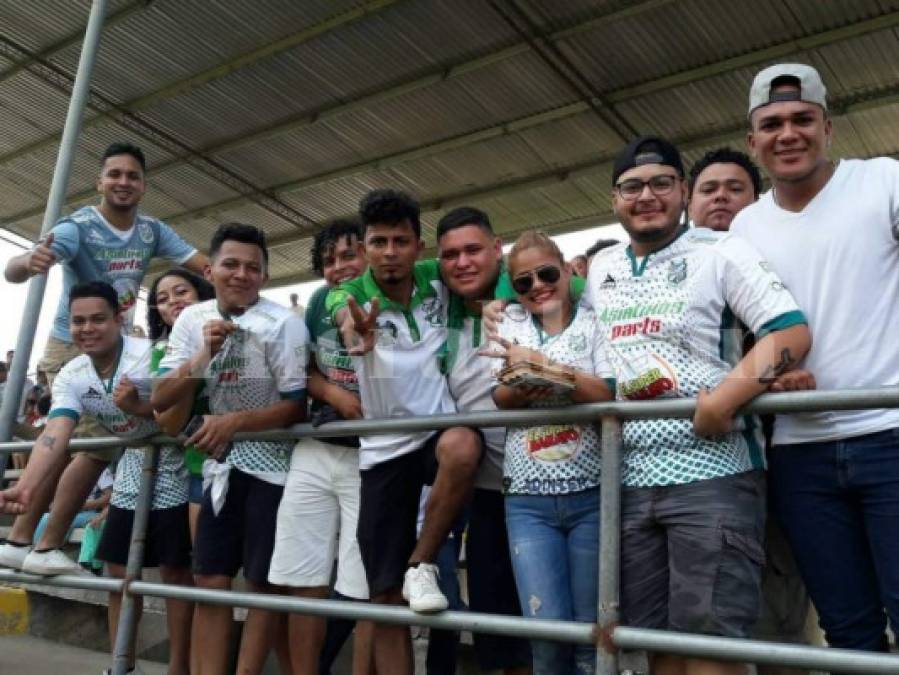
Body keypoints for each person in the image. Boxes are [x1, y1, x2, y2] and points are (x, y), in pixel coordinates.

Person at [587, 135, 811, 675]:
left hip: (715, 472)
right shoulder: (602, 268)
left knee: (711, 640)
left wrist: (726, 399)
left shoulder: (720, 249)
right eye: (631, 187)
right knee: (653, 639)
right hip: (630, 481)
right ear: (615, 199)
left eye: (661, 183)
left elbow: (788, 333)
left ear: (682, 191)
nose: (646, 196)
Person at [731, 63, 899, 653]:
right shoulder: (745, 227)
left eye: (803, 118)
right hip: (801, 451)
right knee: (847, 628)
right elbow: (742, 335)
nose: (788, 133)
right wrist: (767, 374)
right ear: (753, 142)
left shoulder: (882, 181)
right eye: (771, 123)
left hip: (889, 430)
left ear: (828, 127)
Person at [0, 141, 207, 576]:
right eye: (114, 174)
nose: (123, 182)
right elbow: (14, 272)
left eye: (132, 176)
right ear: (99, 181)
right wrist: (28, 260)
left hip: (116, 343)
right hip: (72, 343)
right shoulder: (78, 227)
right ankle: (43, 545)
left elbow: (202, 265)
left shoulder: (150, 231)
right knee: (98, 442)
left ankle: (21, 540)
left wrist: (235, 284)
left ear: (144, 185)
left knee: (93, 442)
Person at [327, 189, 482, 675]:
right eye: (378, 242)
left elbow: (504, 275)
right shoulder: (349, 295)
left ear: (419, 246)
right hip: (382, 454)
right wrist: (357, 335)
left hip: (434, 441)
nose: (389, 252)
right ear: (364, 248)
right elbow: (343, 319)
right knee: (384, 596)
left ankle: (422, 563)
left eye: (401, 241)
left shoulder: (438, 278)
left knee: (463, 442)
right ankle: (408, 574)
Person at [153, 222, 308, 675]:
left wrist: (236, 421)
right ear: (210, 269)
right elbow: (161, 397)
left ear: (264, 276)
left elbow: (296, 405)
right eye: (231, 265)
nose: (242, 274)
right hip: (217, 466)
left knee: (262, 585)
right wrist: (203, 355)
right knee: (210, 581)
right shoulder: (190, 318)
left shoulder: (283, 323)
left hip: (271, 467)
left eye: (253, 268)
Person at [688, 147, 815, 673]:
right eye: (708, 188)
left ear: (756, 198)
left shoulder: (777, 256)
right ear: (688, 202)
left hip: (785, 450)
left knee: (784, 599)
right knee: (710, 617)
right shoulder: (676, 271)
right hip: (702, 464)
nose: (721, 197)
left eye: (735, 188)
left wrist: (764, 376)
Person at [488, 230, 613, 674]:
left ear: (567, 270)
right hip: (527, 500)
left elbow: (606, 393)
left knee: (590, 637)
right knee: (547, 636)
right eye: (523, 282)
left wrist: (539, 370)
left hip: (593, 495)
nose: (537, 286)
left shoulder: (596, 322)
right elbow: (500, 398)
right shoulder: (509, 325)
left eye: (546, 273)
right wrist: (563, 381)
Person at [268, 218, 373, 675]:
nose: (338, 268)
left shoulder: (395, 297)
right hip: (318, 446)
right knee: (301, 578)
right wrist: (334, 395)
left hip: (373, 456)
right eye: (328, 261)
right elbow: (302, 370)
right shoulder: (314, 302)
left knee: (367, 583)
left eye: (348, 255)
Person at [436, 205, 534, 674]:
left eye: (474, 249)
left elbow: (573, 278)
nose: (462, 262)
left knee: (556, 621)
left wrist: (506, 290)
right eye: (450, 255)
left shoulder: (538, 290)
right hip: (488, 495)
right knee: (497, 629)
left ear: (499, 249)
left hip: (552, 487)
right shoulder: (443, 315)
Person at [146, 268, 216, 542]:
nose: (173, 301)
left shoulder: (240, 329)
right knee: (207, 570)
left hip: (256, 463)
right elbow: (170, 424)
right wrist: (193, 358)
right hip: (201, 466)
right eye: (163, 299)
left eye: (182, 292)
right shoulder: (162, 353)